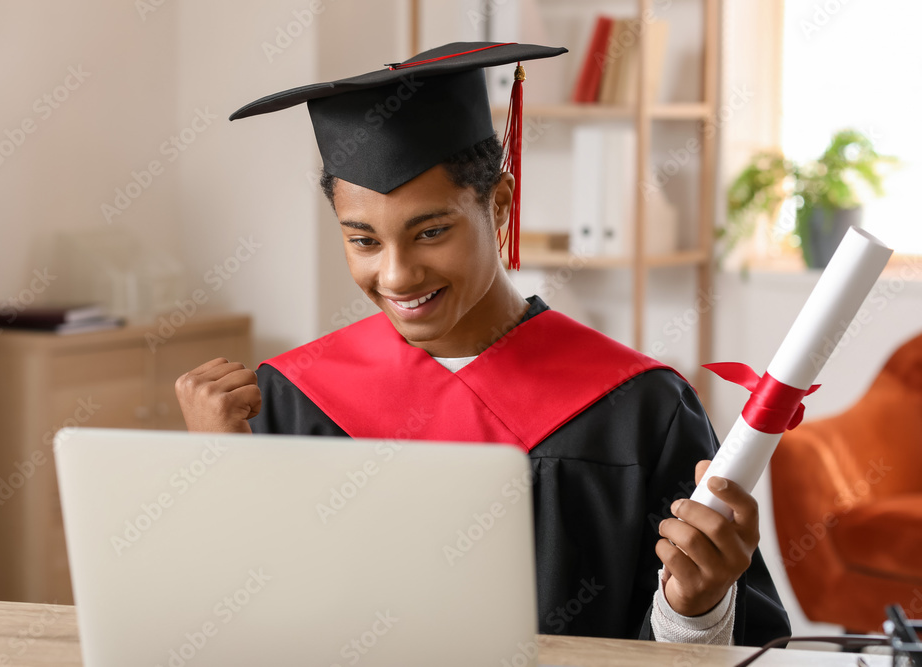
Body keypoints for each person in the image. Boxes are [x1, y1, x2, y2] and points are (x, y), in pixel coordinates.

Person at [175, 41, 790, 645]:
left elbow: (727, 649)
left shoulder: (637, 410)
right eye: (363, 241)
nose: (395, 276)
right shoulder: (295, 399)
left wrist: (697, 609)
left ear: (499, 203)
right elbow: (245, 629)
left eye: (431, 231)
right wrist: (222, 474)